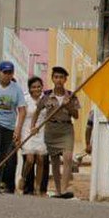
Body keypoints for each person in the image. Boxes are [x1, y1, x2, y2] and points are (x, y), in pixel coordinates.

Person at [32, 66, 80, 199]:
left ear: (65, 80)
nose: (58, 80)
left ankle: (64, 189)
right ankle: (59, 191)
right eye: (56, 77)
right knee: (55, 162)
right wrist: (33, 127)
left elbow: (76, 115)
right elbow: (37, 111)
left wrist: (68, 105)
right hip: (51, 130)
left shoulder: (71, 96)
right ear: (53, 79)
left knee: (68, 158)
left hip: (66, 130)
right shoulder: (46, 95)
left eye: (61, 77)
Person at [0, 61, 26, 193]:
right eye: (4, 72)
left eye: (10, 73)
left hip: (9, 125)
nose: (7, 75)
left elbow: (22, 110)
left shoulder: (17, 88)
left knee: (3, 155)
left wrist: (18, 130)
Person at [20, 76, 48, 196]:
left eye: (39, 86)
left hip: (41, 131)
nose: (36, 89)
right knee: (30, 159)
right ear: (30, 89)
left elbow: (49, 116)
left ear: (42, 87)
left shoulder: (46, 100)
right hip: (27, 130)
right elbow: (21, 117)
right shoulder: (25, 100)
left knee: (41, 159)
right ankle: (24, 178)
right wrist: (18, 133)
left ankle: (37, 186)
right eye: (34, 87)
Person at [85, 110, 109, 194]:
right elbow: (88, 127)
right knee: (102, 165)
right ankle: (100, 186)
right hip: (100, 141)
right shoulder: (95, 111)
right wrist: (87, 144)